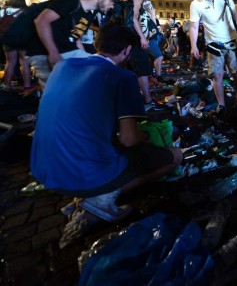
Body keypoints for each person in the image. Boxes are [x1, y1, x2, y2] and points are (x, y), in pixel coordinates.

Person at [29, 22, 182, 223]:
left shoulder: (61, 67)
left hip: (44, 169)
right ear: (127, 50)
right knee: (175, 156)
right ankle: (102, 196)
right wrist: (147, 135)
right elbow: (128, 139)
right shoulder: (123, 77)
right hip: (86, 173)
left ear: (96, 42)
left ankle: (90, 191)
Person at [29, 0, 117, 88]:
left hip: (67, 52)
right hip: (45, 52)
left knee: (103, 67)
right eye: (112, 1)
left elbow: (76, 38)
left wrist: (85, 59)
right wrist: (53, 53)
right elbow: (41, 21)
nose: (112, 6)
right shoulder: (70, 0)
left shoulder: (88, 15)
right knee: (58, 91)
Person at [189, 0, 237, 113]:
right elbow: (194, 27)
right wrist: (193, 46)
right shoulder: (196, 4)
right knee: (217, 75)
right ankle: (222, 105)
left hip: (232, 41)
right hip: (213, 45)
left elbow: (234, 13)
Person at [1, 0, 33, 92]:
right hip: (23, 39)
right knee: (24, 62)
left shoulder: (3, 11)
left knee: (10, 62)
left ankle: (7, 85)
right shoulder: (26, 12)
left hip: (8, 39)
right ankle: (27, 85)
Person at [141, 0, 164, 83]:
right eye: (147, 4)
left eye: (150, 4)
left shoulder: (148, 14)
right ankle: (158, 76)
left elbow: (154, 26)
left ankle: (151, 75)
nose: (150, 6)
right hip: (149, 39)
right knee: (159, 56)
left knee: (152, 58)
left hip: (153, 38)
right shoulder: (143, 14)